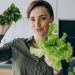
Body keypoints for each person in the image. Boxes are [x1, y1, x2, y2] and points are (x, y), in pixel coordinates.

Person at [0, 0, 74, 75]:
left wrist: (57, 70)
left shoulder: (61, 51)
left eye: (43, 18)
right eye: (32, 19)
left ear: (51, 19)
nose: (37, 24)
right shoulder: (16, 45)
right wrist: (1, 32)